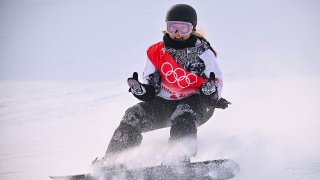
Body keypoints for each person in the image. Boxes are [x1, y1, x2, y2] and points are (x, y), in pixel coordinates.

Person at [100, 3, 230, 167]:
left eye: (183, 28)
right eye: (172, 27)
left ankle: (177, 158)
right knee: (133, 114)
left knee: (184, 112)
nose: (177, 33)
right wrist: (141, 90)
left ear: (192, 28)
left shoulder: (203, 53)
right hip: (165, 105)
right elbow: (151, 89)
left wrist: (209, 91)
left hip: (197, 104)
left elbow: (215, 86)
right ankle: (113, 162)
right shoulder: (157, 52)